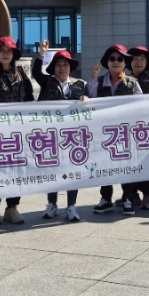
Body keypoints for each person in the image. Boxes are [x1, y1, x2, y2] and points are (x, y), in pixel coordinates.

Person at [33, 43, 89, 221]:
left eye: (65, 64)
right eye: (58, 64)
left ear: (70, 67)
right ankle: (52, 204)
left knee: (72, 171)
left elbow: (90, 105)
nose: (62, 67)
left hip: (73, 136)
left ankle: (71, 206)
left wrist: (87, 99)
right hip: (51, 135)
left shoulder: (81, 85)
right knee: (52, 170)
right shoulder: (47, 82)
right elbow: (36, 73)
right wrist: (41, 55)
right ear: (53, 68)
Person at [87, 44, 144, 215]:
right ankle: (106, 199)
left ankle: (127, 198)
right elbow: (90, 97)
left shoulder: (132, 83)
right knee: (105, 166)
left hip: (125, 133)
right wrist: (93, 77)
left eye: (120, 59)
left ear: (125, 63)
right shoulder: (98, 81)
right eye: (112, 59)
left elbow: (142, 105)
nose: (116, 62)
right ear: (107, 62)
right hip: (104, 133)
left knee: (126, 166)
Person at [0, 36, 32, 225]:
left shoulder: (20, 72)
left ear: (14, 54)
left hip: (18, 131)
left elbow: (28, 97)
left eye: (9, 51)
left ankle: (12, 207)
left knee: (17, 169)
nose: (5, 54)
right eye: (2, 50)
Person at [127, 45, 149, 209]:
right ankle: (131, 194)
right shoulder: (124, 80)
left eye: (142, 59)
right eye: (135, 58)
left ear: (147, 63)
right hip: (127, 129)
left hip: (147, 129)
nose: (138, 62)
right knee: (129, 162)